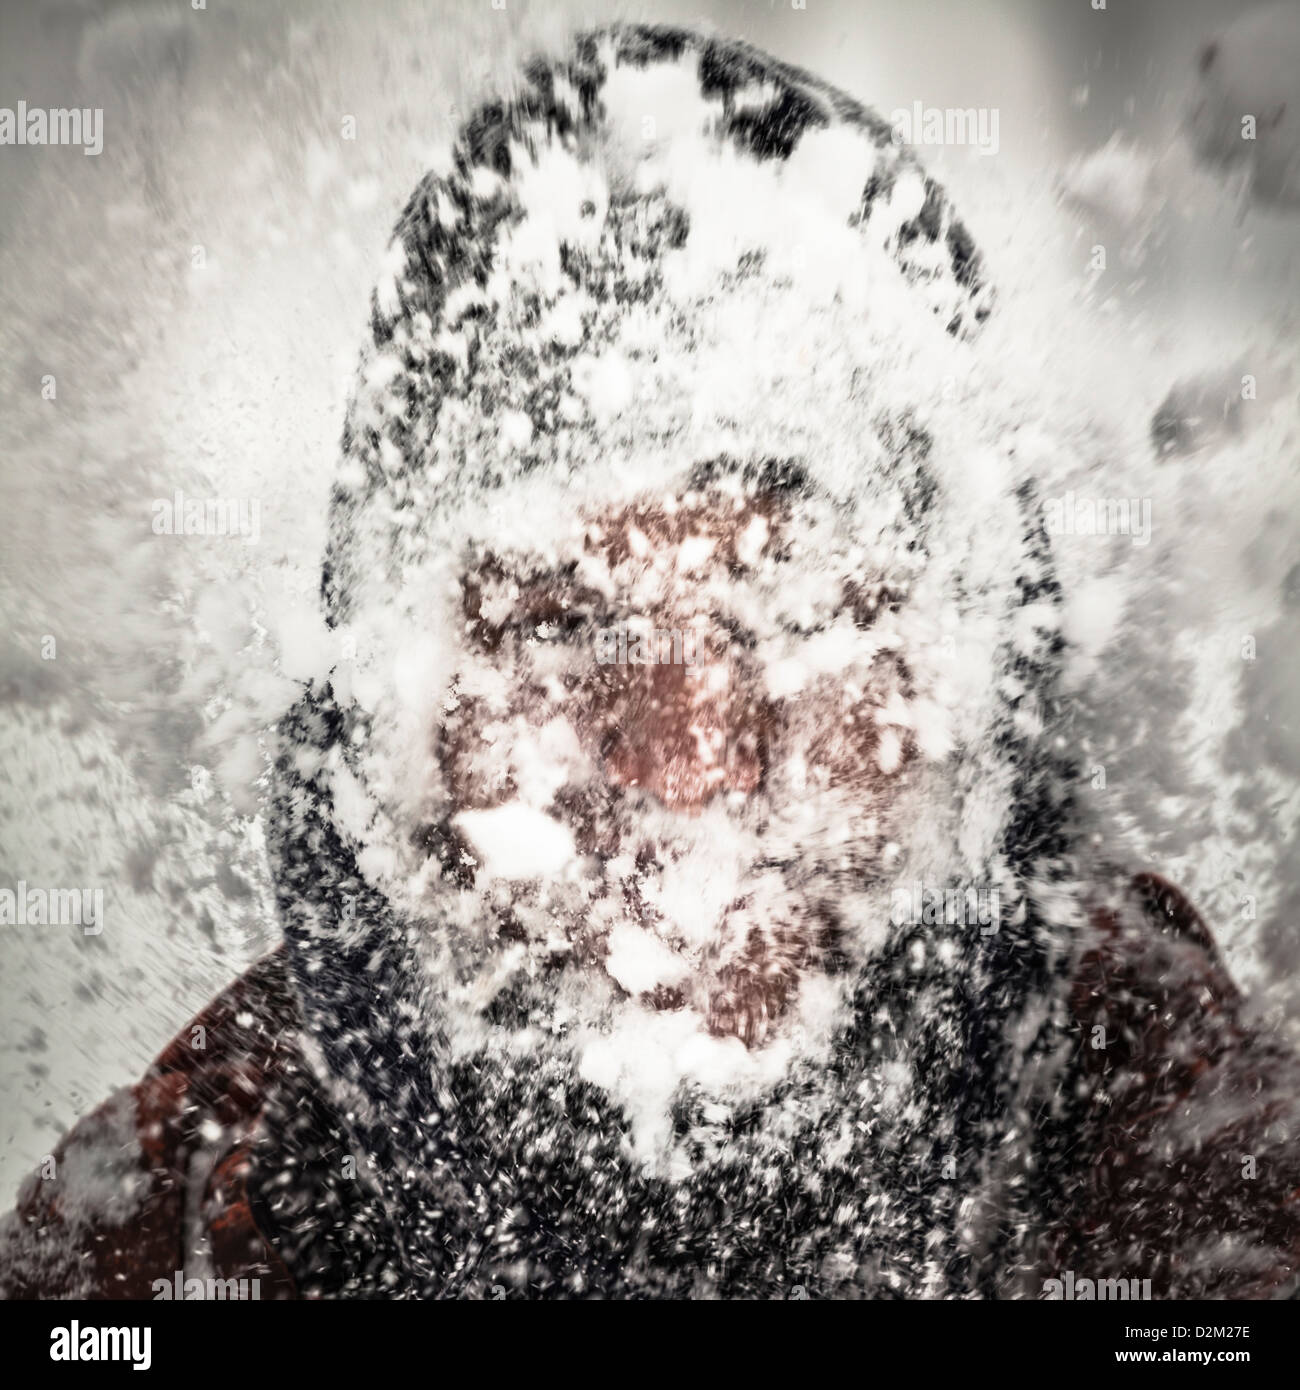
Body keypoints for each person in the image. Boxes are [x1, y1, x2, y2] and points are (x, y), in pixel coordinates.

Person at [3, 24, 1296, 1301]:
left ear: (957, 681)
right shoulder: (193, 1205)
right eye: (560, 623)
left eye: (801, 609)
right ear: (400, 712)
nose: (683, 757)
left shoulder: (1142, 1083)